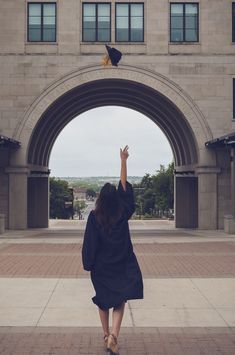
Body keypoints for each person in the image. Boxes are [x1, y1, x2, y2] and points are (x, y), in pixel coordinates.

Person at [82, 145, 143, 355]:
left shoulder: (94, 217)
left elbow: (89, 242)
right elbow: (125, 190)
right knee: (119, 299)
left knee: (102, 300)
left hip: (101, 266)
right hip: (121, 264)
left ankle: (106, 334)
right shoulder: (122, 212)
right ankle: (114, 337)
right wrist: (123, 161)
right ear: (115, 199)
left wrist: (88, 263)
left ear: (100, 198)